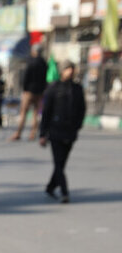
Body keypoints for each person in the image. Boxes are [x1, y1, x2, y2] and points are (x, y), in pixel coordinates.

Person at [39, 60, 86, 204]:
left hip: (70, 131)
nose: (70, 71)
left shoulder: (77, 89)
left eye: (72, 68)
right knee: (59, 163)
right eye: (67, 69)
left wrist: (77, 125)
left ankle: (50, 187)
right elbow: (46, 112)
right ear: (61, 71)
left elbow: (82, 109)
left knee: (62, 163)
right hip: (55, 130)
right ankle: (64, 192)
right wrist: (42, 133)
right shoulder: (53, 89)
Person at [10, 45, 47, 141]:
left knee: (23, 112)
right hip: (39, 91)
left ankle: (18, 133)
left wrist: (25, 89)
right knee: (36, 113)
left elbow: (26, 77)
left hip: (29, 91)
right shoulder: (44, 63)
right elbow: (45, 78)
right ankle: (33, 134)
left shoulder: (30, 62)